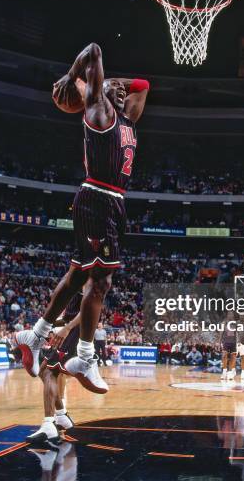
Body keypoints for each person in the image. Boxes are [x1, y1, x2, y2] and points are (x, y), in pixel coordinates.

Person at [13, 42, 149, 393]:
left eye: (120, 90)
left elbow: (142, 85)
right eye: (112, 88)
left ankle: (36, 334)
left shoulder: (126, 118)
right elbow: (93, 50)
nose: (121, 90)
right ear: (98, 93)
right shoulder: (98, 114)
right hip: (98, 199)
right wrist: (76, 77)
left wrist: (112, 84)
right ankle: (85, 357)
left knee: (76, 276)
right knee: (100, 283)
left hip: (111, 203)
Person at [26, 293, 83, 446]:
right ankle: (61, 415)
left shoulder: (86, 275)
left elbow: (89, 310)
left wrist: (67, 328)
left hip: (76, 331)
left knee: (49, 372)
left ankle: (49, 423)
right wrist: (44, 326)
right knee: (43, 371)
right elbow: (68, 316)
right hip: (71, 329)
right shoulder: (75, 281)